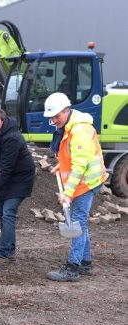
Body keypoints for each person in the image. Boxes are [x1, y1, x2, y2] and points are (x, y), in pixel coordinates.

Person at [43, 92, 107, 282]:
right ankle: (85, 263)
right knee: (81, 223)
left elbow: (80, 165)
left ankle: (73, 267)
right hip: (82, 181)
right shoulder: (68, 126)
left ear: (66, 110)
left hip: (87, 182)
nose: (54, 120)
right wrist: (61, 164)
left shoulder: (80, 130)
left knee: (77, 222)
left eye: (57, 116)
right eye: (52, 117)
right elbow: (71, 157)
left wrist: (68, 194)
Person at [0, 108, 35, 267]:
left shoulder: (12, 138)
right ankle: (9, 251)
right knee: (1, 212)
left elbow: (5, 169)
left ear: (3, 122)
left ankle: (4, 254)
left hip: (20, 178)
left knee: (8, 212)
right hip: (9, 177)